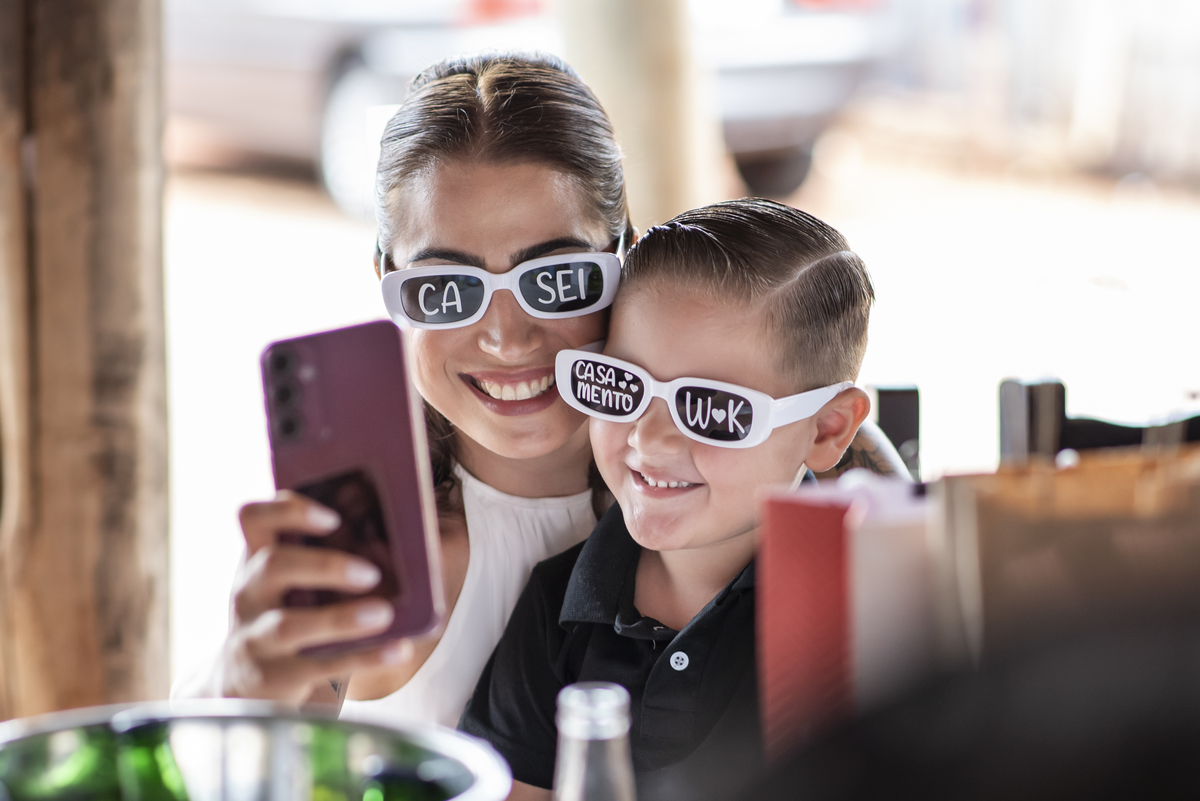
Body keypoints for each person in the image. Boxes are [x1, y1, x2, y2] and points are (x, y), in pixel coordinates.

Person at [173, 51, 903, 727]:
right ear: (387, 288)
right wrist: (236, 685)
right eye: (445, 290)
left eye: (555, 281)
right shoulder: (368, 552)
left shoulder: (734, 479)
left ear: (627, 259)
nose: (506, 336)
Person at [459, 198, 874, 801]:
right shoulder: (554, 611)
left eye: (710, 408)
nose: (648, 439)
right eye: (621, 385)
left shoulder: (864, 615)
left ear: (827, 428)